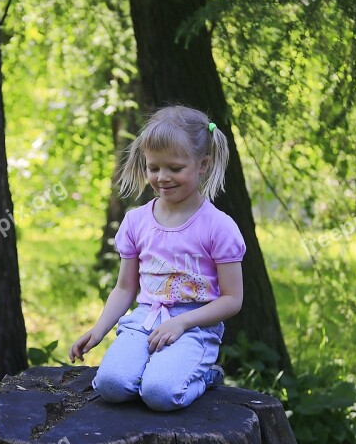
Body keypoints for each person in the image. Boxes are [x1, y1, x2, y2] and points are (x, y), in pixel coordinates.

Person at [69, 106, 246, 411]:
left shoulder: (219, 226)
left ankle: (203, 377)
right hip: (145, 319)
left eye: (175, 168)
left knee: (160, 394)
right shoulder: (137, 221)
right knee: (110, 385)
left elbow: (232, 299)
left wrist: (183, 322)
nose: (162, 178)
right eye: (154, 168)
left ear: (202, 164)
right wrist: (98, 330)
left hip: (194, 326)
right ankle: (153, 370)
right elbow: (125, 288)